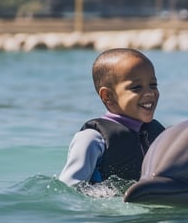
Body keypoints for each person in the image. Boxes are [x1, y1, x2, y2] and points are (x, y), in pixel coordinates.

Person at [59, 48, 165, 186]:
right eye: (136, 87)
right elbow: (68, 189)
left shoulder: (158, 135)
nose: (150, 93)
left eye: (153, 85)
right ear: (107, 96)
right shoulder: (92, 139)